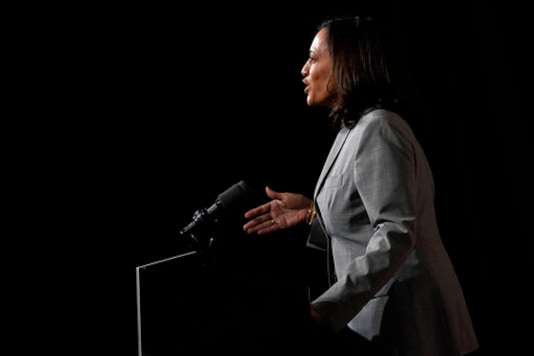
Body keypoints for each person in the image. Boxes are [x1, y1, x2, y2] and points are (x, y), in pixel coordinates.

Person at [242, 15, 479, 355]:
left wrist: (327, 307)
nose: (303, 69)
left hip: (412, 325)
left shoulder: (378, 129)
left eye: (312, 57)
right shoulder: (353, 131)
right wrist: (312, 213)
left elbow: (396, 232)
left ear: (343, 62)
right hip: (385, 325)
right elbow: (362, 223)